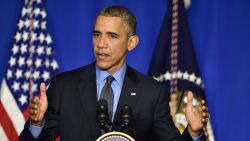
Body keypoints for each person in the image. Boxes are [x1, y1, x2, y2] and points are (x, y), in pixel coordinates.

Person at [19, 5, 209, 141]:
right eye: (96, 34)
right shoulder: (64, 86)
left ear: (131, 43)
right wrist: (37, 123)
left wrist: (193, 132)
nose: (101, 44)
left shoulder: (151, 92)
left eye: (112, 36)